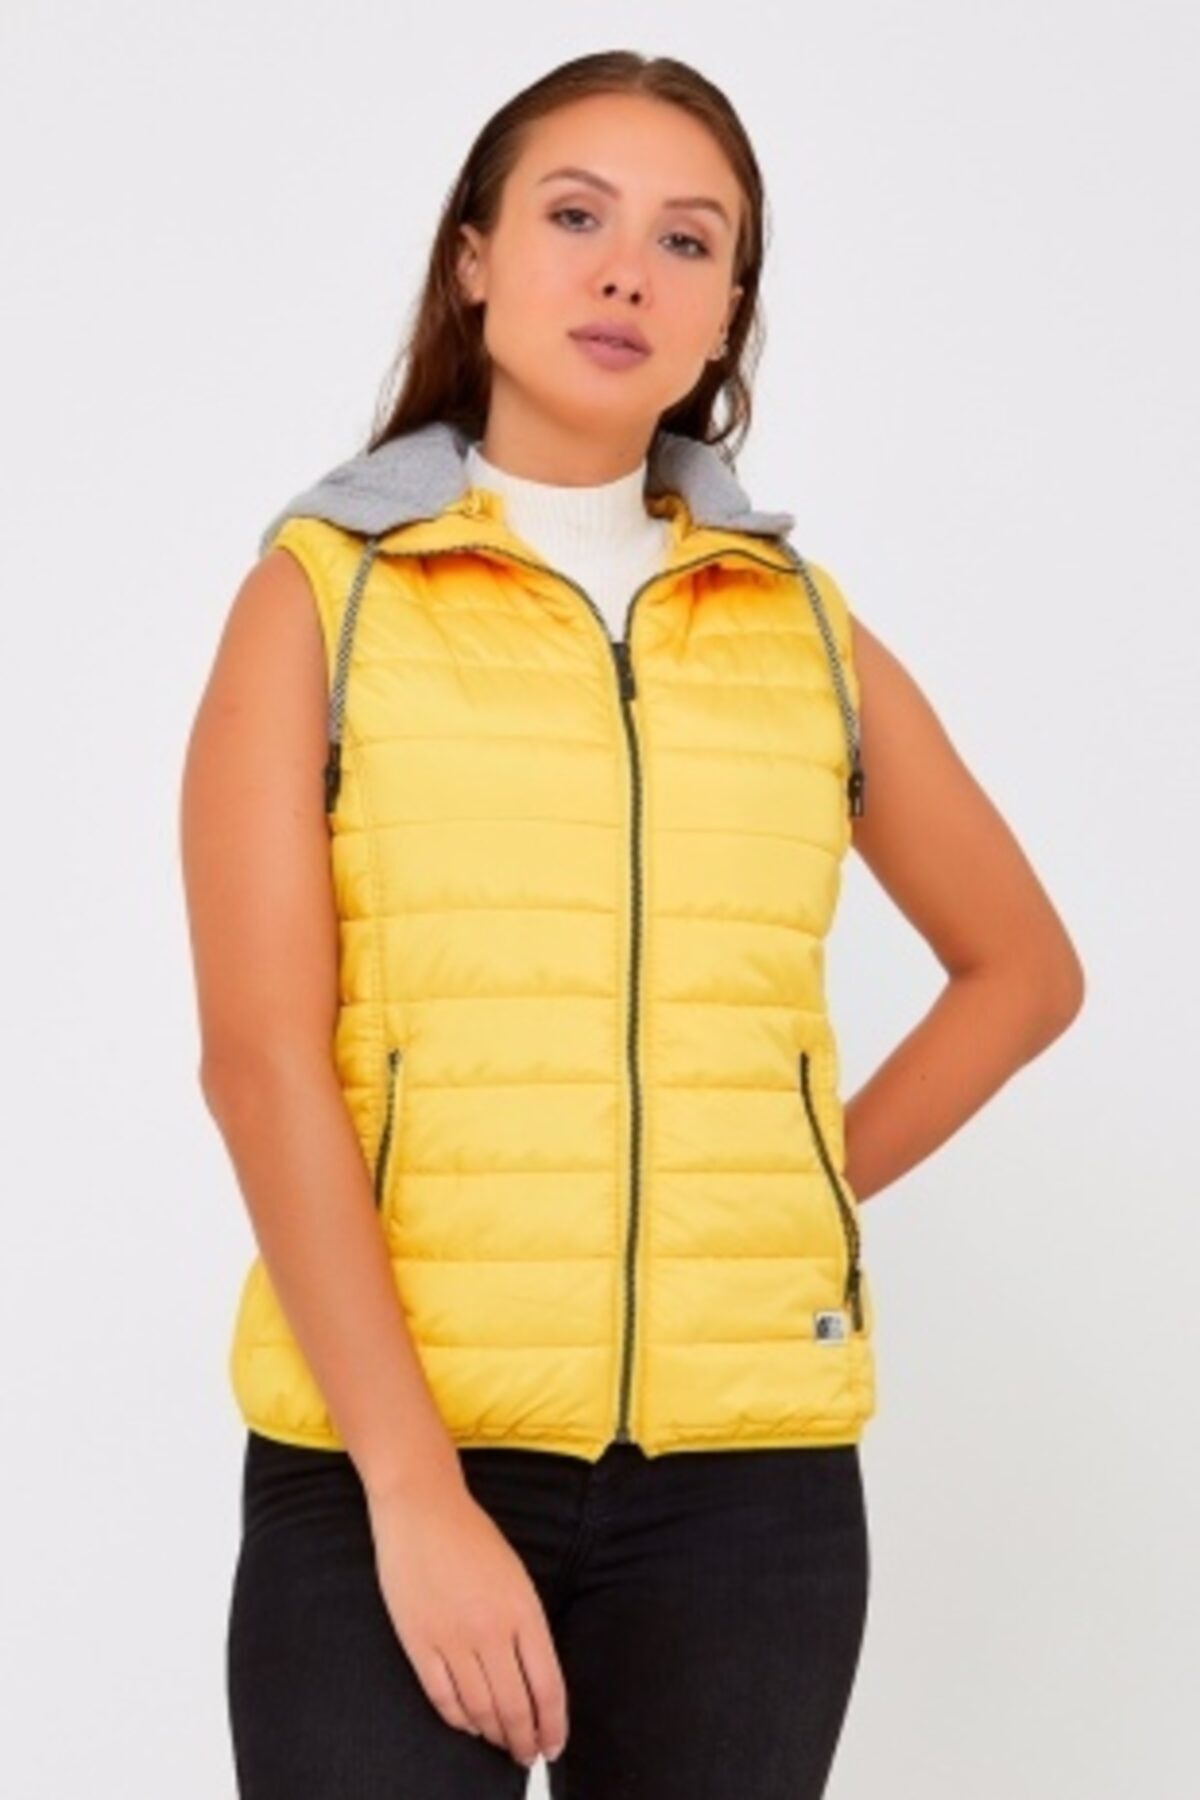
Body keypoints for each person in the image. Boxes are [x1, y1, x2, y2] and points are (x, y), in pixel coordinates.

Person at [179, 49, 1086, 1800]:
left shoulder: (799, 628)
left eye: (688, 241)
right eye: (575, 216)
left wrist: (775, 1185)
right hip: (388, 1451)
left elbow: (1025, 975)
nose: (625, 275)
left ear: (728, 310)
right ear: (473, 259)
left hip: (748, 1494)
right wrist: (413, 1493)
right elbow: (260, 1062)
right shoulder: (321, 600)